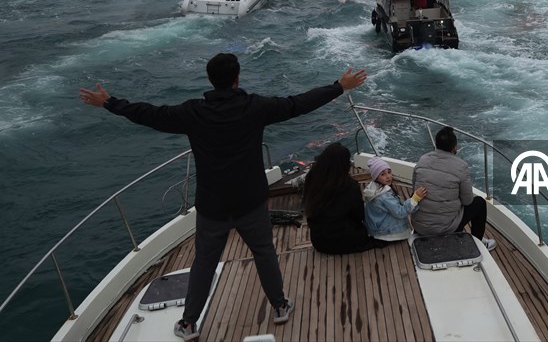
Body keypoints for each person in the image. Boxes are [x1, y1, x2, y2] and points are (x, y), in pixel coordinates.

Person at [78, 54, 367, 340]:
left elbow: (150, 114)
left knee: (204, 262)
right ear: (236, 78)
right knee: (264, 253)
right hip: (250, 201)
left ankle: (189, 324)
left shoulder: (192, 113)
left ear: (210, 80)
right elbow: (297, 104)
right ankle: (279, 306)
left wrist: (109, 102)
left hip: (212, 206)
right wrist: (339, 86)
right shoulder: (255, 107)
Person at [411, 126, 496, 251]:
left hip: (420, 227)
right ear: (454, 148)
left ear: (436, 144)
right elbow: (467, 201)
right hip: (445, 229)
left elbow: (414, 189)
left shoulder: (422, 160)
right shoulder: (461, 166)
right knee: (480, 203)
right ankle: (478, 244)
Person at [303, 142, 386, 254]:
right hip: (343, 241)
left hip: (318, 242)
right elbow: (359, 216)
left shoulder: (312, 177)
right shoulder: (349, 186)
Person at [363, 157, 427, 241]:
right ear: (376, 177)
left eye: (389, 172)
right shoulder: (384, 196)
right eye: (383, 174)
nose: (388, 176)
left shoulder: (373, 188)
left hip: (376, 229)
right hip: (387, 233)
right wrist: (415, 198)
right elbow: (400, 213)